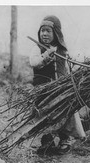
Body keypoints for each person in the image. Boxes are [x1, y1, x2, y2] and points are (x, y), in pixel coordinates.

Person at [29, 15, 85, 154]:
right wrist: (44, 58)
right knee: (45, 114)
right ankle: (47, 141)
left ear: (56, 33)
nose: (45, 34)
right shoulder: (37, 49)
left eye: (48, 31)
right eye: (42, 31)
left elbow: (66, 67)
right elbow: (34, 62)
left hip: (60, 89)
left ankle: (65, 140)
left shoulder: (62, 51)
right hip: (44, 90)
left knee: (65, 112)